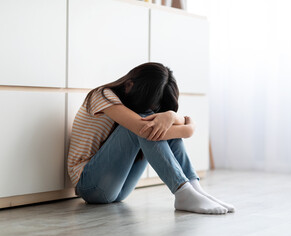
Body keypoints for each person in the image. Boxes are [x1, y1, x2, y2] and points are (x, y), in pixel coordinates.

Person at [67, 62, 235, 214]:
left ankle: (194, 189)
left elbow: (179, 124)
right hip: (89, 185)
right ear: (129, 85)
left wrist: (169, 116)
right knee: (147, 125)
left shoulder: (131, 104)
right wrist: (187, 130)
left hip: (118, 188)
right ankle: (184, 191)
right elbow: (146, 130)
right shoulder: (102, 95)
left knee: (157, 123)